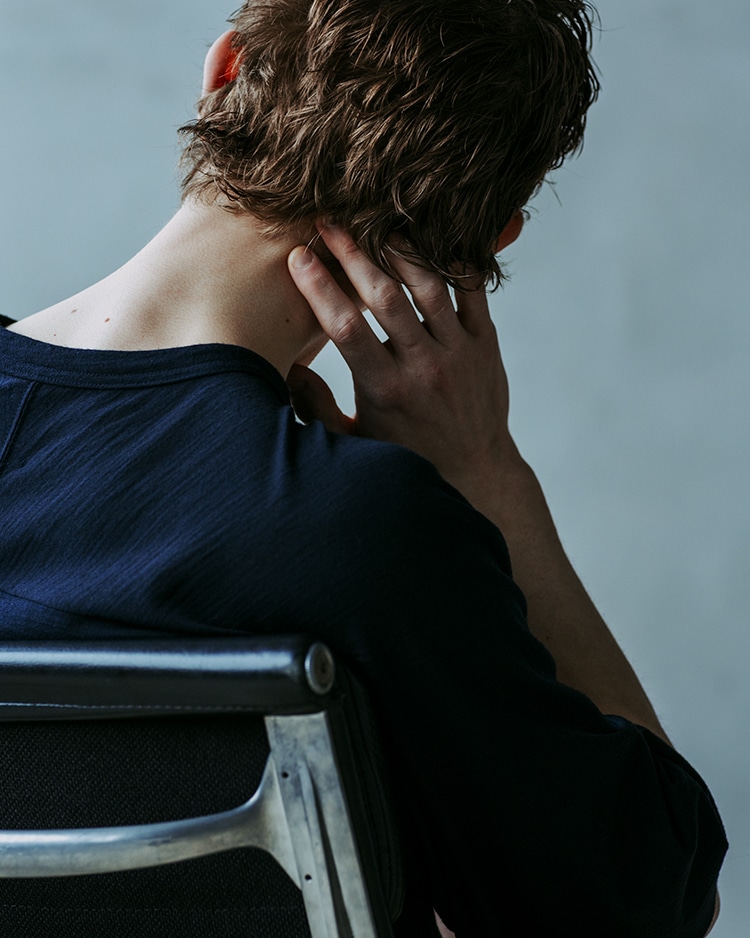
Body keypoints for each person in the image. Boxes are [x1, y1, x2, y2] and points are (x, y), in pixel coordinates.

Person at [0, 1, 726, 935]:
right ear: (491, 237)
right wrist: (486, 472)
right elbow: (651, 901)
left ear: (225, 69)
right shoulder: (365, 530)